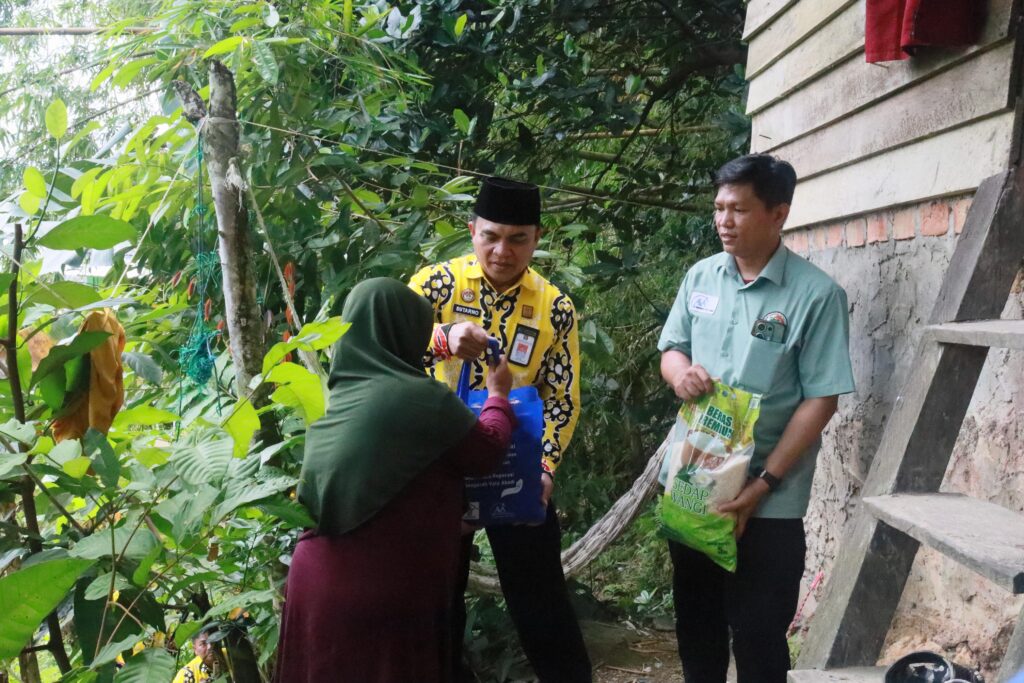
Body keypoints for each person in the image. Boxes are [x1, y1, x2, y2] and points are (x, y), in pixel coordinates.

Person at [658, 154, 855, 683]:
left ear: (778, 214)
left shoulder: (816, 296)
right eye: (719, 208)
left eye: (739, 210)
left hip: (769, 500)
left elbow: (822, 399)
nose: (724, 221)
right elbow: (672, 348)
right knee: (697, 624)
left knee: (759, 634)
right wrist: (680, 375)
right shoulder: (701, 276)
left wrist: (763, 484)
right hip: (695, 485)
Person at [273, 277, 513, 683]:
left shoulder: (343, 400)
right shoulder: (420, 397)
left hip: (314, 589)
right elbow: (487, 450)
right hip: (378, 594)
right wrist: (498, 396)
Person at [409, 176, 592, 683]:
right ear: (472, 231)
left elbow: (562, 397)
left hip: (518, 464)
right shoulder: (435, 285)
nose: (502, 251)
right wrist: (444, 338)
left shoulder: (555, 307)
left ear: (537, 238)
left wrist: (546, 467)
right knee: (436, 604)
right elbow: (382, 348)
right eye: (490, 236)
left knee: (542, 604)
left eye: (517, 239)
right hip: (438, 469)